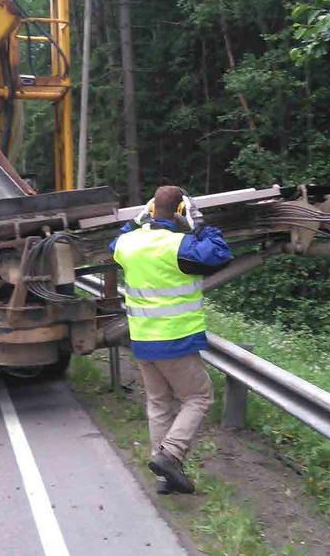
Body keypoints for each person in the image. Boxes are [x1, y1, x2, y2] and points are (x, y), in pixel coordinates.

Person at [110, 185, 232, 494]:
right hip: (174, 341)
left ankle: (165, 476)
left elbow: (114, 242)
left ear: (149, 211)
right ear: (181, 212)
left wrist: (136, 221)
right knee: (199, 397)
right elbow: (219, 253)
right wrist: (199, 223)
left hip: (142, 341)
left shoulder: (127, 244)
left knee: (159, 403)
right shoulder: (179, 245)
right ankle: (172, 454)